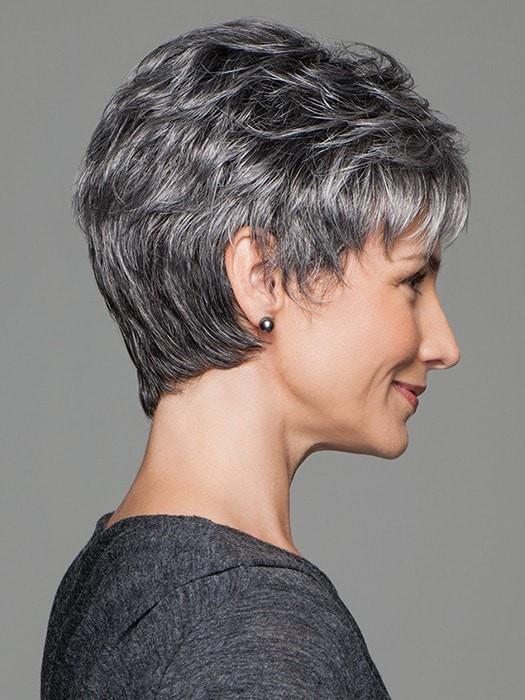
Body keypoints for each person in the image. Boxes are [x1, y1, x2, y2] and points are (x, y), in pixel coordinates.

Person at [40, 16, 470, 698]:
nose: (443, 345)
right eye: (411, 281)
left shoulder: (116, 579)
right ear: (262, 277)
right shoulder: (253, 631)